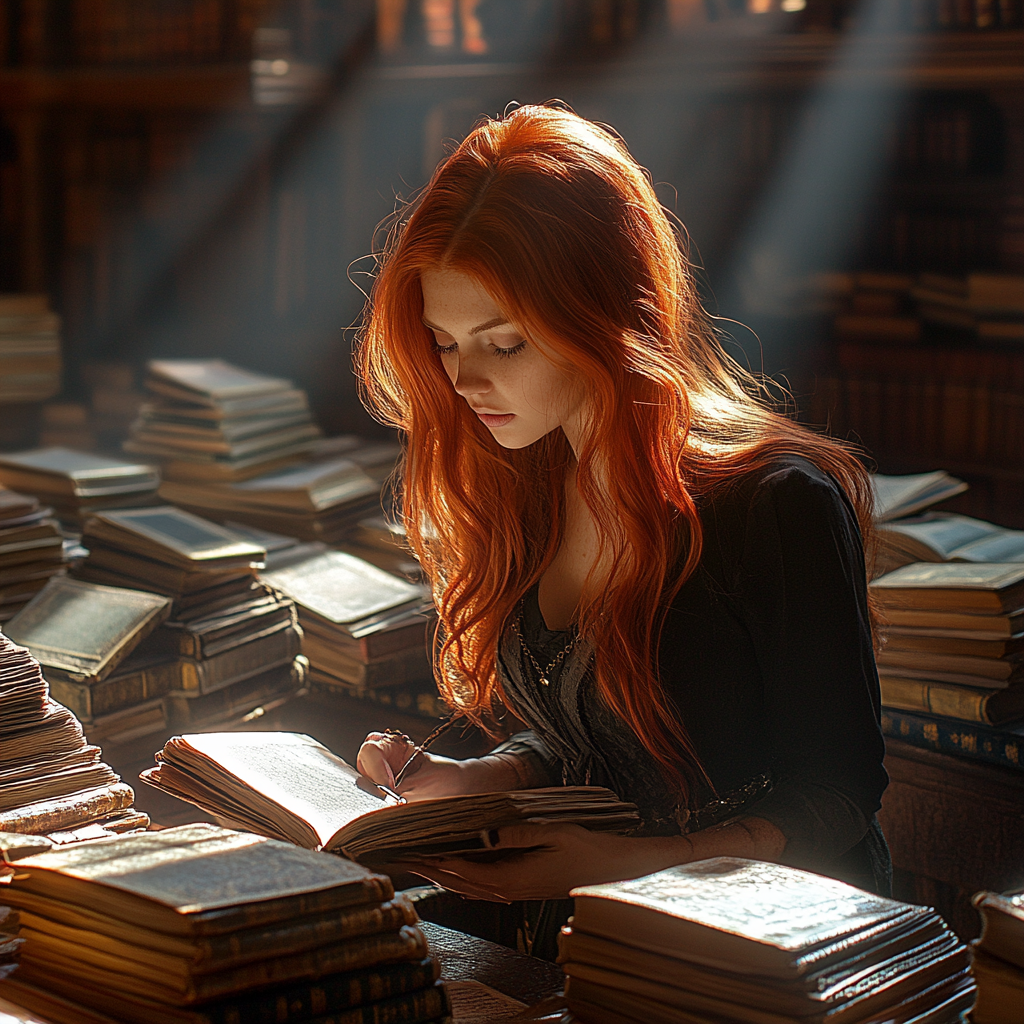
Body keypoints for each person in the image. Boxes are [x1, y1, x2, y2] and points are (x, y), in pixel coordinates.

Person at [354, 103, 890, 959]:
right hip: (584, 941)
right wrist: (476, 778)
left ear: (608, 317)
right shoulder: (525, 480)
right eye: (445, 343)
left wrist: (627, 867)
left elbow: (839, 794)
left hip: (766, 957)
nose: (466, 381)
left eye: (506, 344)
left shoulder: (774, 503)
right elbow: (592, 726)